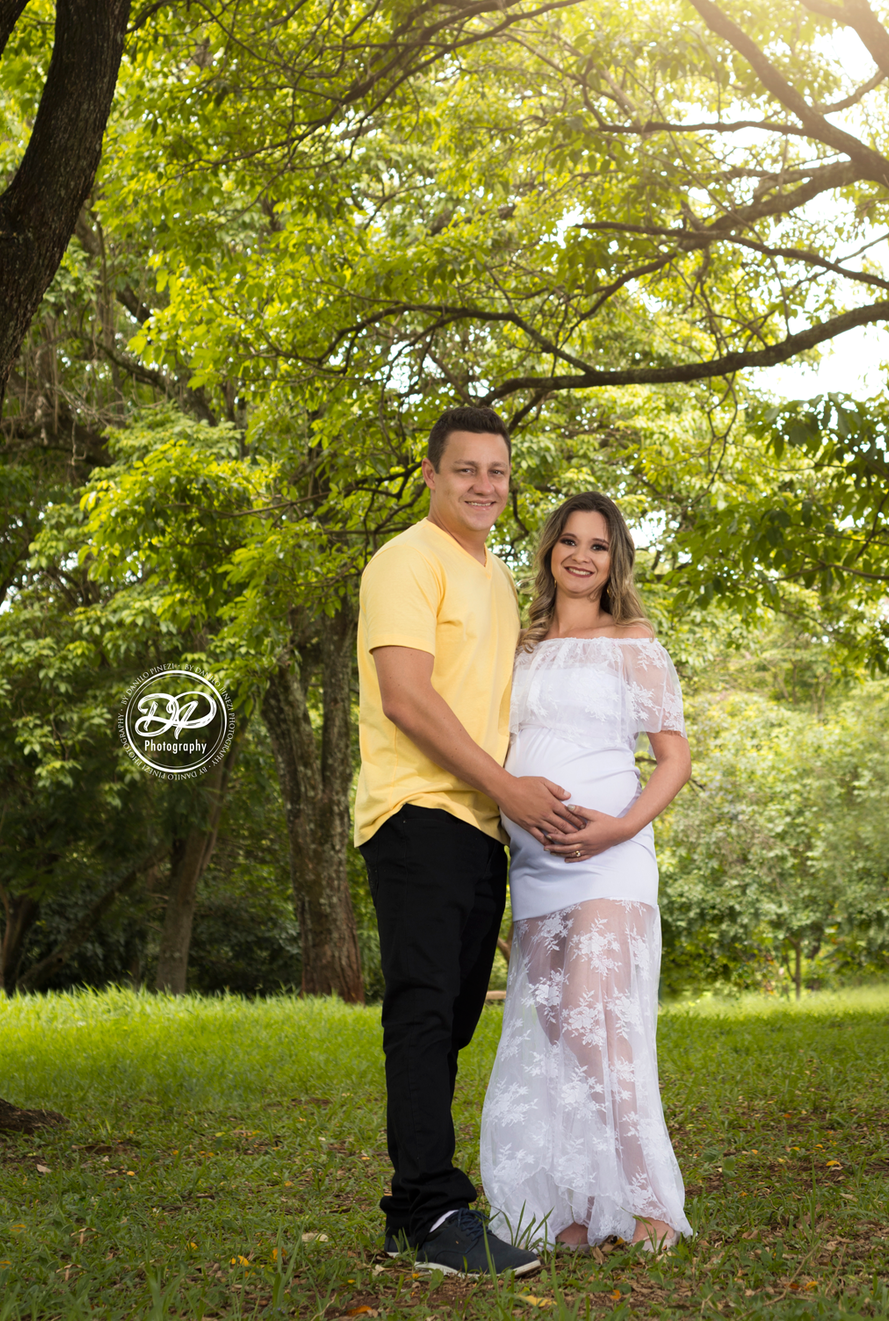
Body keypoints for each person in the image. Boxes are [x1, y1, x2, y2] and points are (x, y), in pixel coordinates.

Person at [354, 406, 586, 1279]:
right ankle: (437, 1207)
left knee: (450, 1015)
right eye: (466, 470)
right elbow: (408, 700)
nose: (485, 485)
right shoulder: (406, 562)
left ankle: (407, 1213)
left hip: (481, 827)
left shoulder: (490, 578)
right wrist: (509, 791)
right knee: (423, 1005)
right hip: (416, 812)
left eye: (497, 471)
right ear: (430, 474)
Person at [480, 492, 693, 1254]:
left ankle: (649, 1205)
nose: (581, 555)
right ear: (549, 552)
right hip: (536, 869)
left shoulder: (634, 642)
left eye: (597, 546)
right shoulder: (520, 643)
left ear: (614, 561)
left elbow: (674, 759)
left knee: (599, 1025)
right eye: (569, 541)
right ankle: (572, 1207)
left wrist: (620, 826)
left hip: (613, 858)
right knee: (554, 1034)